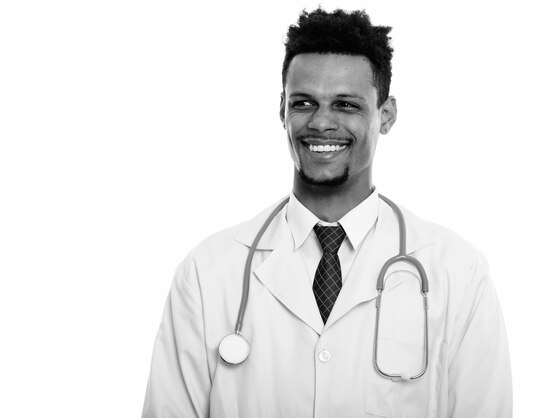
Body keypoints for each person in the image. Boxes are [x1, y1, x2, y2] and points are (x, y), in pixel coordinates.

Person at [142, 7, 512, 418]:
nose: (321, 122)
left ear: (385, 115)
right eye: (304, 102)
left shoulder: (457, 271)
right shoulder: (207, 272)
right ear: (282, 108)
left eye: (346, 105)